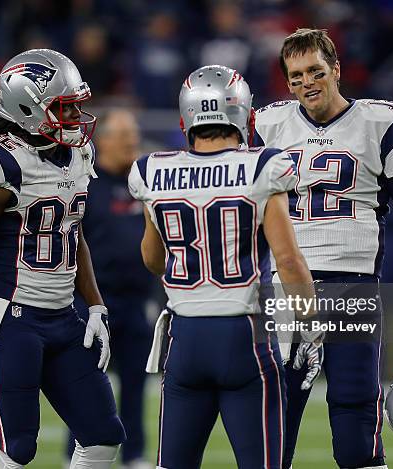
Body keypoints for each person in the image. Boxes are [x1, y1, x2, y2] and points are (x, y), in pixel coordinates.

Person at [254, 28, 393, 469]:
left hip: (353, 287)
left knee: (356, 420)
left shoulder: (383, 123)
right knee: (273, 425)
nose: (306, 84)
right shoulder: (266, 125)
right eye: (295, 76)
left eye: (315, 71)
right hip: (286, 288)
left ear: (336, 69)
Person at [0, 49, 125, 468]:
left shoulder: (78, 152)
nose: (77, 116)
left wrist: (95, 303)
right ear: (27, 107)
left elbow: (71, 231)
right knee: (17, 448)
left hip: (64, 316)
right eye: (65, 107)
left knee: (102, 436)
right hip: (9, 320)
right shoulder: (1, 160)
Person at [129, 65, 316, 469]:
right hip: (243, 336)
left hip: (185, 340)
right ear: (243, 115)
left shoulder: (151, 170)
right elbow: (287, 260)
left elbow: (153, 258)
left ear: (186, 119)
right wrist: (311, 325)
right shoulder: (263, 164)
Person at [66, 110, 155, 469]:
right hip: (91, 304)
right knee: (84, 387)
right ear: (101, 140)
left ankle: (134, 455)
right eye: (122, 136)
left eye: (133, 135)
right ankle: (73, 454)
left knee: (135, 384)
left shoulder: (142, 182)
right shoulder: (84, 181)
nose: (130, 143)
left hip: (135, 301)